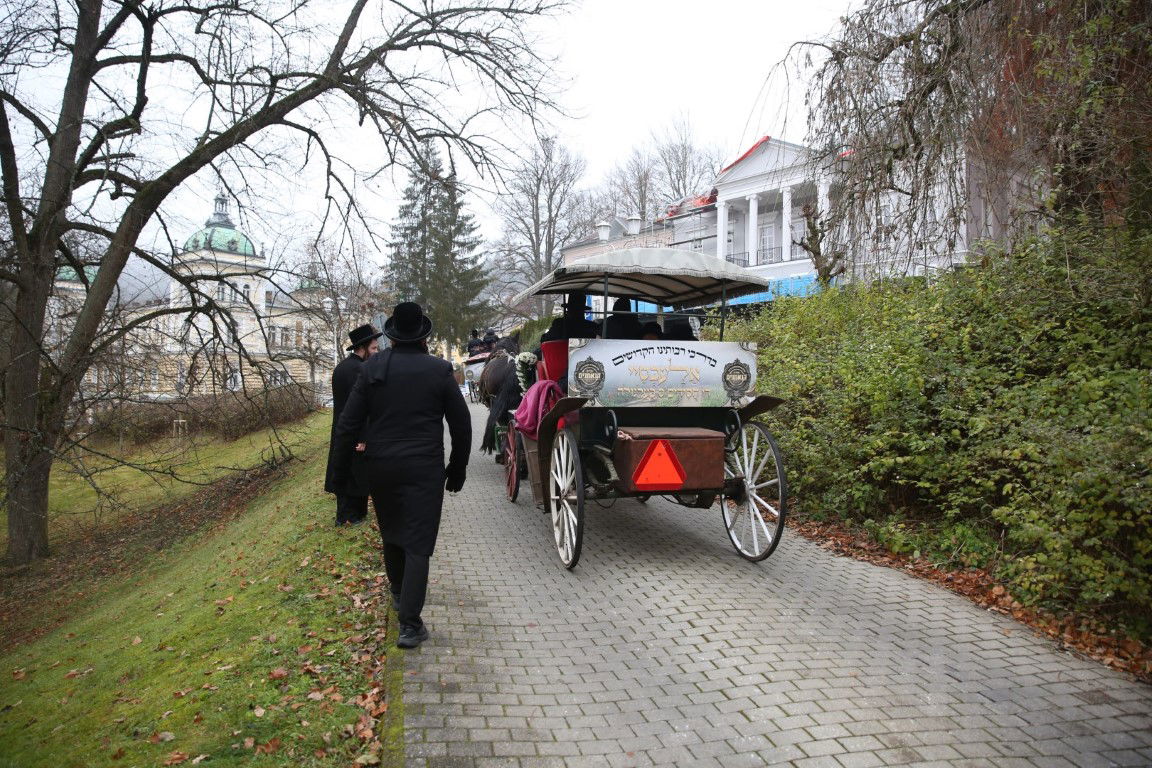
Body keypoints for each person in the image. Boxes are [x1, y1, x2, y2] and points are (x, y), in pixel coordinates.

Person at [330, 302, 470, 649]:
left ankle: (397, 594)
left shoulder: (373, 367)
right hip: (424, 467)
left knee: (392, 533)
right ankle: (409, 624)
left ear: (391, 335)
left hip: (382, 466)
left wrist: (337, 475)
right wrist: (458, 467)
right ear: (424, 336)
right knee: (419, 542)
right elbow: (462, 424)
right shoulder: (439, 370)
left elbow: (347, 424)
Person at [324, 323, 381, 526]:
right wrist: (363, 437)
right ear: (362, 347)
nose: (376, 353)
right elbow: (358, 408)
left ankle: (352, 516)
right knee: (354, 475)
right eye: (373, 348)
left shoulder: (343, 366)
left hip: (343, 430)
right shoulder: (358, 369)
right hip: (353, 433)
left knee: (348, 473)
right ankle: (349, 517)